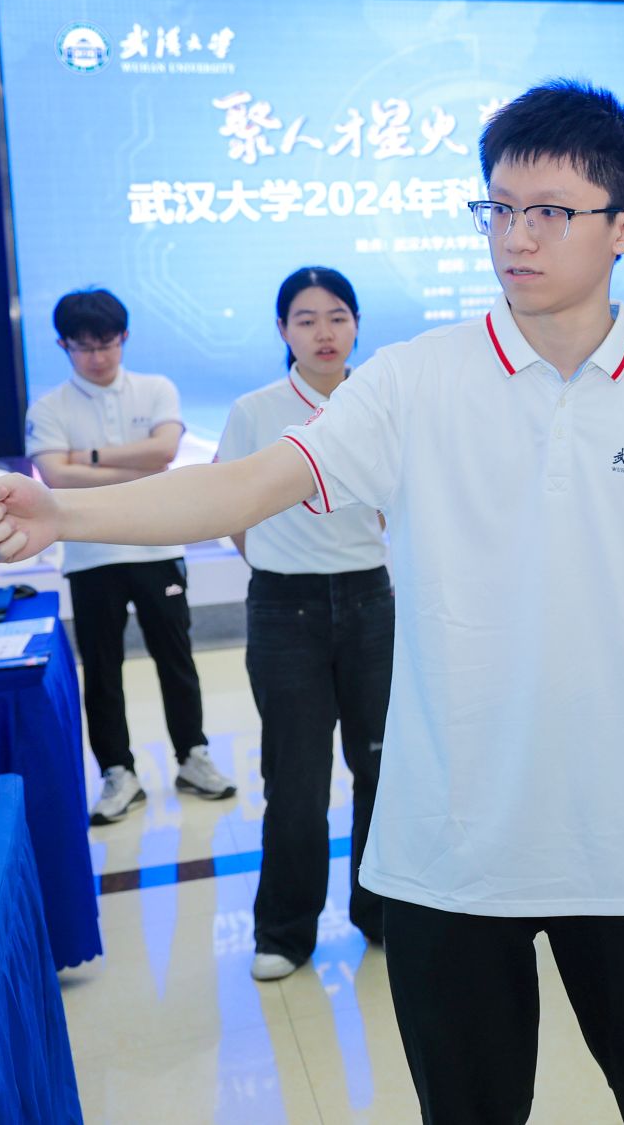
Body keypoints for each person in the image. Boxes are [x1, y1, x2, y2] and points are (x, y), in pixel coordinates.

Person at [0, 81, 624, 1125]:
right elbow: (247, 485)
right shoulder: (413, 381)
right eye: (498, 208)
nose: (515, 237)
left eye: (549, 212)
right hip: (449, 846)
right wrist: (66, 513)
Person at [215, 267, 394, 983]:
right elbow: (230, 506)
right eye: (306, 319)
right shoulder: (256, 410)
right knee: (295, 777)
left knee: (382, 766)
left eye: (338, 317)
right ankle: (285, 932)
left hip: (371, 601)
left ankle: (382, 913)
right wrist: (276, 560)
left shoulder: (380, 401)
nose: (324, 333)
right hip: (284, 609)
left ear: (357, 325)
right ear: (283, 330)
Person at [26, 288, 235, 825]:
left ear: (124, 338)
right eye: (83, 346)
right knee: (103, 670)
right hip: (90, 556)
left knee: (176, 658)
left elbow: (165, 452)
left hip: (159, 545)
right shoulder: (49, 407)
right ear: (63, 345)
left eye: (106, 343)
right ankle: (118, 772)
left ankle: (192, 756)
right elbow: (55, 476)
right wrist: (135, 470)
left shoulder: (156, 388)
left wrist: (90, 458)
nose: (97, 356)